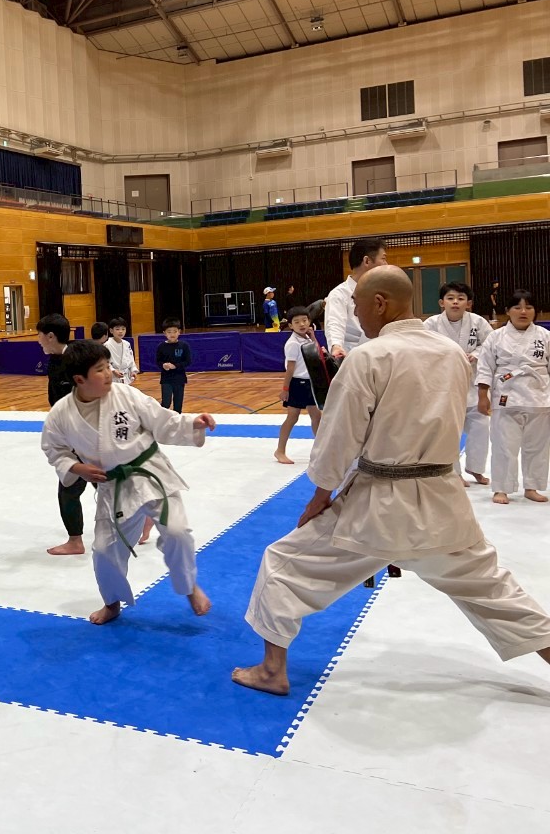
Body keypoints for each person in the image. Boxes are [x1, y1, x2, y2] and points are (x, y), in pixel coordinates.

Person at [232, 267, 550, 696]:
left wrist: (320, 496)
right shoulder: (451, 353)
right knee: (496, 592)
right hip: (442, 502)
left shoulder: (369, 357)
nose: (356, 316)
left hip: (376, 505)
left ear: (379, 303)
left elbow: (339, 437)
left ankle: (273, 670)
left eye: (358, 307)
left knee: (281, 564)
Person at [41, 339, 215, 624]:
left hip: (150, 472)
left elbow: (162, 420)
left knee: (178, 532)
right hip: (114, 485)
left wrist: (192, 423)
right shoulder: (61, 414)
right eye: (100, 369)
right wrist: (77, 467)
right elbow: (53, 449)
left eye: (108, 366)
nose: (108, 373)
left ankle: (188, 586)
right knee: (104, 551)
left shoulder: (126, 395)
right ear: (80, 379)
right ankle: (112, 602)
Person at [477, 289, 550, 505]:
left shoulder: (545, 336)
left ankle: (532, 486)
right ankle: (501, 488)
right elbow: (485, 367)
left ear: (536, 311)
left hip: (539, 396)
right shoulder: (495, 337)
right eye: (517, 307)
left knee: (537, 446)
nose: (523, 311)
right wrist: (483, 396)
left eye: (529, 307)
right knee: (503, 445)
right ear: (508, 311)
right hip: (506, 395)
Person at [424, 281, 493, 485]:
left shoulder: (478, 322)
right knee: (449, 430)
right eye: (451, 298)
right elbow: (422, 348)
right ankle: (454, 472)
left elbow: (490, 345)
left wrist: (476, 354)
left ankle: (475, 468)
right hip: (444, 383)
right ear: (441, 302)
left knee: (481, 427)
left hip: (473, 383)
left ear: (468, 303)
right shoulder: (431, 324)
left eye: (461, 298)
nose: (455, 302)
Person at [36, 314, 87, 556]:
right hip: (70, 433)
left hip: (83, 435)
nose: (38, 341)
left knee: (69, 489)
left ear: (50, 336)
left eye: (39, 335)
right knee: (102, 483)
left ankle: (75, 541)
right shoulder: (56, 360)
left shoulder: (74, 359)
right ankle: (139, 515)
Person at [323, 237, 387, 358]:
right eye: (383, 259)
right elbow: (335, 323)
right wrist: (336, 346)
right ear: (367, 261)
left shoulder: (381, 292)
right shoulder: (339, 294)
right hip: (353, 356)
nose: (386, 264)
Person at [275, 307, 322, 465]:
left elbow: (317, 353)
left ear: (309, 322)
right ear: (290, 325)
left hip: (310, 383)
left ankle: (320, 450)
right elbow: (290, 368)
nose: (302, 324)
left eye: (304, 320)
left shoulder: (307, 338)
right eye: (297, 322)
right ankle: (280, 450)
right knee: (292, 418)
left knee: (317, 417)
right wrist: (285, 389)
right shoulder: (293, 343)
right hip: (297, 383)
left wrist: (313, 337)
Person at [155, 319, 192, 412]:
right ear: (164, 333)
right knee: (166, 403)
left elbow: (187, 361)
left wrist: (175, 366)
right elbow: (158, 361)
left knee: (178, 404)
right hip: (166, 379)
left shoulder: (184, 346)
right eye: (169, 332)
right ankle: (160, 418)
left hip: (179, 378)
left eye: (175, 331)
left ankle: (177, 419)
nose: (172, 334)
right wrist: (163, 365)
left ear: (179, 332)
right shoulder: (161, 346)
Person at [105, 317, 137, 384]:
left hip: (126, 376)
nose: (120, 331)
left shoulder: (127, 344)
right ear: (111, 330)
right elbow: (105, 361)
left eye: (123, 329)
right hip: (114, 376)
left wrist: (133, 370)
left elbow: (131, 359)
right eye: (117, 329)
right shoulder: (107, 345)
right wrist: (113, 370)